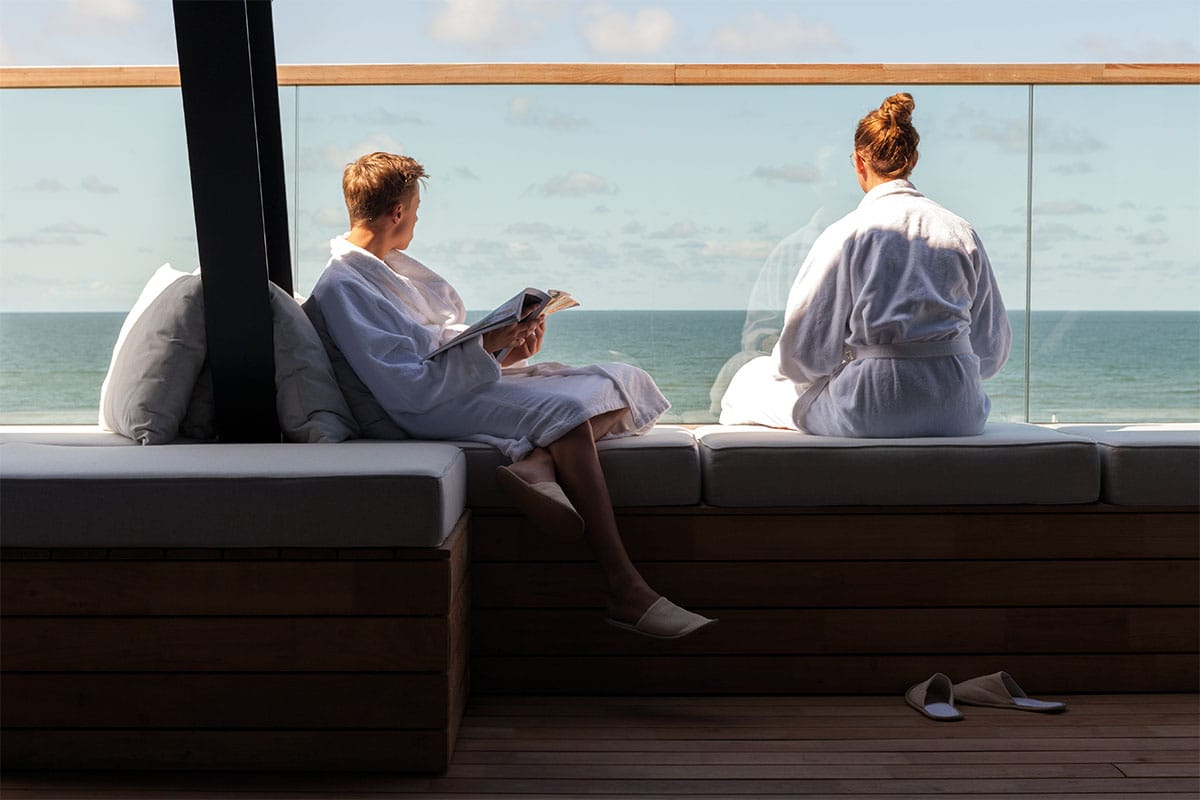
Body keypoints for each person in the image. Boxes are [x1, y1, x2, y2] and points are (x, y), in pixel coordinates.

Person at [304, 151, 715, 639]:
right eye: (414, 209)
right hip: (425, 409)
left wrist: (505, 351)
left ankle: (536, 462)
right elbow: (407, 387)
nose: (416, 219)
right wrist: (488, 346)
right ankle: (625, 586)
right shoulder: (343, 287)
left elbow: (433, 349)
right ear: (398, 211)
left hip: (451, 384)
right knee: (567, 412)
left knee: (620, 379)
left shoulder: (380, 271)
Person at [720, 93, 1011, 437]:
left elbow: (803, 358)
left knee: (749, 380)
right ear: (913, 159)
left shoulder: (846, 234)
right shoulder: (960, 231)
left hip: (874, 408)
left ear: (859, 162)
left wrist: (853, 358)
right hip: (960, 411)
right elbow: (990, 352)